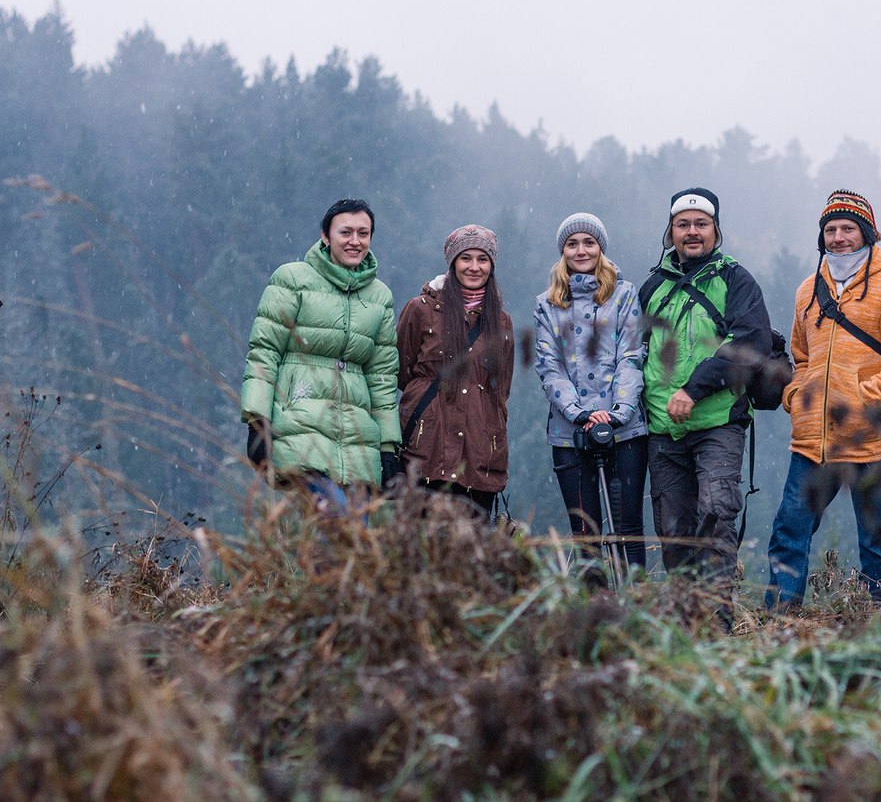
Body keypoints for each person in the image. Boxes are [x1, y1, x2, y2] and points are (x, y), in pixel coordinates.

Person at [765, 190, 881, 608]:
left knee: (877, 545)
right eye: (830, 230)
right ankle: (777, 629)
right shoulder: (808, 290)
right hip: (813, 439)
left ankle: (880, 632)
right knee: (789, 537)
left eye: (848, 229)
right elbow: (801, 356)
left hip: (873, 439)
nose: (838, 237)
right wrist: (795, 394)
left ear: (868, 234)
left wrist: (864, 398)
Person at [639, 187, 773, 605]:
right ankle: (685, 624)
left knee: (715, 519)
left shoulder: (735, 279)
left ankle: (717, 623)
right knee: (673, 531)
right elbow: (632, 352)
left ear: (716, 230)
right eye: (683, 225)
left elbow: (750, 343)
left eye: (701, 224)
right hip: (663, 428)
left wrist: (694, 389)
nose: (692, 232)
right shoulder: (652, 287)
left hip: (718, 422)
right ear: (670, 232)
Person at [241, 198, 401, 509]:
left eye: (363, 233)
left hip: (358, 444)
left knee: (356, 547)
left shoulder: (380, 296)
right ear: (325, 236)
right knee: (337, 521)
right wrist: (258, 422)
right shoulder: (292, 279)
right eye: (345, 233)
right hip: (301, 432)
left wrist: (387, 447)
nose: (355, 241)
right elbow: (264, 353)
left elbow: (382, 378)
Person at [534, 212, 648, 573]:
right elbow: (548, 365)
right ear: (562, 251)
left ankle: (636, 605)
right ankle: (595, 613)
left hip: (623, 427)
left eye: (589, 242)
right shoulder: (547, 305)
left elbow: (631, 354)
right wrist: (577, 412)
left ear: (601, 248)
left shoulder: (624, 295)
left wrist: (618, 410)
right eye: (572, 243)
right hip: (570, 433)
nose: (581, 250)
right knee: (585, 532)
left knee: (627, 527)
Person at [396, 225, 514, 514]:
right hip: (427, 449)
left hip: (478, 454)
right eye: (466, 258)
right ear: (452, 262)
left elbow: (501, 389)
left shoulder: (500, 322)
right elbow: (401, 372)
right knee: (422, 547)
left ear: (492, 265)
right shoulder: (421, 310)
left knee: (471, 548)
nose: (474, 267)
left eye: (482, 259)